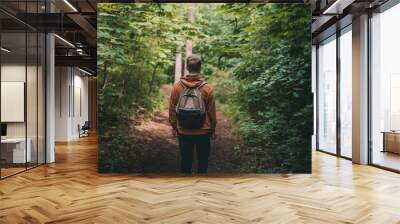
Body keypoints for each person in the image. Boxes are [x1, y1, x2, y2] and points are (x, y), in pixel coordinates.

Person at [169, 54, 217, 174]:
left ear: (187, 67)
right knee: (203, 160)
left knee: (186, 160)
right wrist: (213, 128)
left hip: (183, 130)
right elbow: (211, 112)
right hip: (203, 130)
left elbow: (172, 109)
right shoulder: (207, 88)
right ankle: (201, 188)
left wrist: (175, 126)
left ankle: (185, 189)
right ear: (200, 68)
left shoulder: (177, 87)